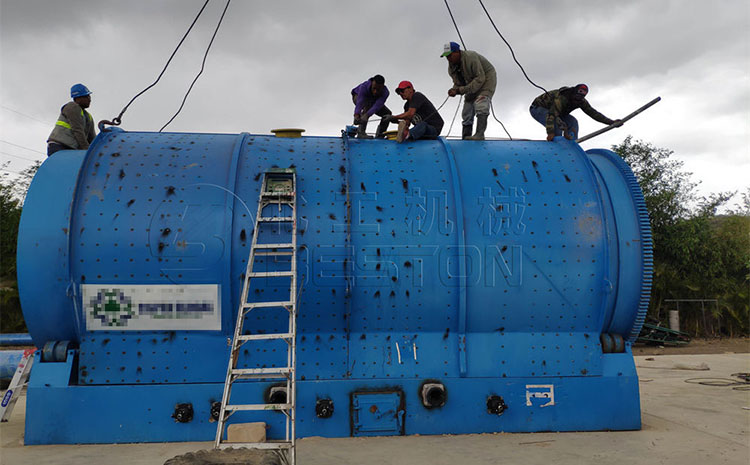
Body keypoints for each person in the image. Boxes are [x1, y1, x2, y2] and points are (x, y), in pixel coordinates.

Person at [442, 41, 497, 140]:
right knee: (467, 108)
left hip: (486, 79)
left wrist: (460, 90)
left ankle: (479, 134)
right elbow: (458, 83)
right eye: (446, 56)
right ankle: (466, 136)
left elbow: (480, 78)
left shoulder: (470, 57)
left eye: (450, 55)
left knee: (481, 102)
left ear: (457, 52)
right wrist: (454, 90)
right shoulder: (451, 67)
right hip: (472, 82)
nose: (448, 58)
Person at [530, 84, 622, 141]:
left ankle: (572, 143)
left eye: (580, 98)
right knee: (556, 126)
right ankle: (556, 144)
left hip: (559, 113)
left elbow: (594, 114)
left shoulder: (581, 101)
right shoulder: (562, 98)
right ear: (573, 93)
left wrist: (611, 122)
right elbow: (552, 115)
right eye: (576, 97)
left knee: (573, 122)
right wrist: (550, 132)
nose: (577, 100)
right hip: (539, 108)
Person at [47, 83, 96, 156]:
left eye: (89, 96)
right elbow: (77, 130)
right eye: (86, 96)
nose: (89, 99)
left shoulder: (88, 116)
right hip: (59, 146)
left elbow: (93, 139)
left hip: (71, 149)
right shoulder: (72, 107)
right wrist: (87, 151)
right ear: (77, 98)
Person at [351, 75, 393, 139]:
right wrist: (356, 114)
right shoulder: (364, 87)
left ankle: (380, 134)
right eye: (374, 88)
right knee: (368, 105)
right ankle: (361, 133)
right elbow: (360, 101)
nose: (375, 92)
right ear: (372, 84)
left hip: (373, 101)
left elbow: (377, 106)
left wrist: (367, 115)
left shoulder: (385, 92)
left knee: (387, 113)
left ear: (382, 87)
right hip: (357, 96)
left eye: (378, 90)